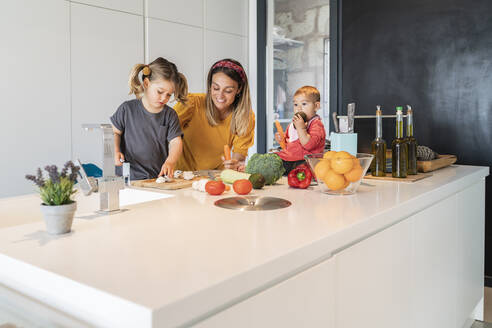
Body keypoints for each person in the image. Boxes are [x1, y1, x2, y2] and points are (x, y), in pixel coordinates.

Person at [110, 57, 188, 180]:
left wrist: (171, 161)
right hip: (127, 178)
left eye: (168, 94)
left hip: (155, 178)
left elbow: (176, 142)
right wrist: (115, 150)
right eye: (160, 92)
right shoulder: (127, 109)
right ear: (146, 84)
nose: (164, 98)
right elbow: (114, 132)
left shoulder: (170, 115)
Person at [174, 59, 255, 171]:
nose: (220, 96)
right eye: (216, 88)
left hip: (215, 177)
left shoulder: (245, 116)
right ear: (210, 85)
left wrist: (234, 164)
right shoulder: (192, 104)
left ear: (239, 89)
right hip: (180, 176)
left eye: (228, 91)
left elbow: (239, 157)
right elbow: (161, 133)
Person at [275, 86, 326, 175]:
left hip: (305, 160)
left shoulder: (316, 124)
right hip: (290, 158)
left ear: (316, 106)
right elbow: (289, 140)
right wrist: (281, 138)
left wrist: (301, 128)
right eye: (296, 105)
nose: (299, 108)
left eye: (304, 104)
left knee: (304, 169)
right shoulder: (295, 123)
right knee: (271, 158)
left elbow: (308, 145)